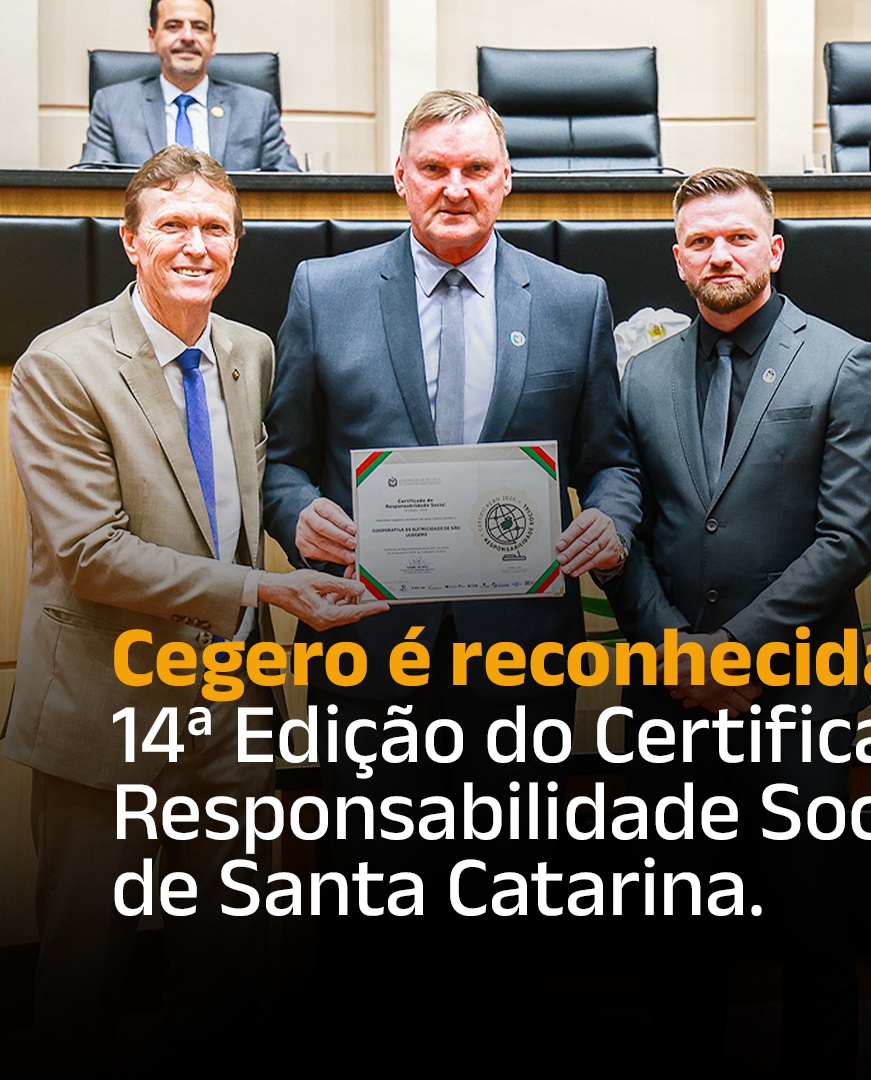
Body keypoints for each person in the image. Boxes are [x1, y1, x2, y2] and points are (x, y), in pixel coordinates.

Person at [262, 88, 639, 1062]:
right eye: (434, 168)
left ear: (507, 181)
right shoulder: (325, 289)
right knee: (370, 905)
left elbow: (612, 460)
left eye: (476, 169)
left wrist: (610, 516)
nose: (455, 188)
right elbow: (283, 461)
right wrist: (298, 515)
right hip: (367, 649)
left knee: (506, 906)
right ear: (401, 178)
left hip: (520, 660)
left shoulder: (573, 301)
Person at [3, 145, 378, 1068]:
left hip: (234, 714)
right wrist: (264, 590)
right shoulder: (62, 365)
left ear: (237, 246)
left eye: (215, 227)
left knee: (227, 971)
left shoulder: (251, 352)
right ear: (131, 241)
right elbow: (89, 554)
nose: (195, 245)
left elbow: (257, 504)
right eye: (172, 225)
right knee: (84, 979)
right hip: (106, 713)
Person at [605, 166, 871, 1079]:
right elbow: (621, 530)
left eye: (738, 237)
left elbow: (846, 541)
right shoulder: (640, 374)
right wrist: (673, 651)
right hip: (668, 694)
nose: (720, 255)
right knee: (677, 932)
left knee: (814, 926)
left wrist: (728, 654)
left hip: (798, 695)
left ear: (774, 249)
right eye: (701, 241)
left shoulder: (842, 361)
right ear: (678, 258)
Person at [79, 0, 300, 171]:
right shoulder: (113, 105)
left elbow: (288, 182)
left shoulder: (256, 107)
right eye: (173, 27)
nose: (187, 37)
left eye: (199, 27)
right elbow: (93, 184)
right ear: (152, 38)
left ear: (213, 42)